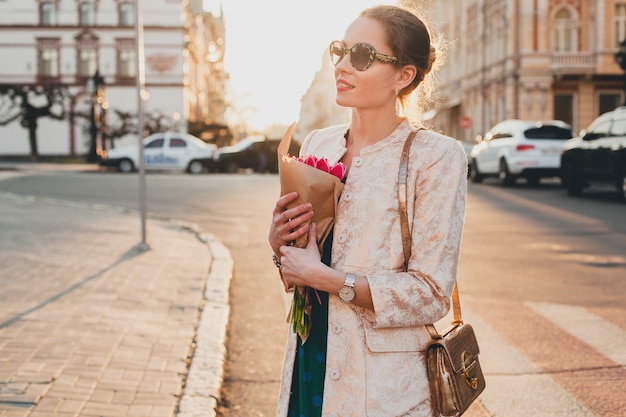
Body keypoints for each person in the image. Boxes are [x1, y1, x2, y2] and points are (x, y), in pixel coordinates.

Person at [268, 4, 467, 417]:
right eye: (339, 50)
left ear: (403, 75)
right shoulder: (319, 145)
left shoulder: (434, 157)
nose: (342, 65)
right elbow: (300, 265)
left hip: (382, 384)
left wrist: (326, 278)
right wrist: (280, 246)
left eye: (361, 56)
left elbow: (431, 293)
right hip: (311, 353)